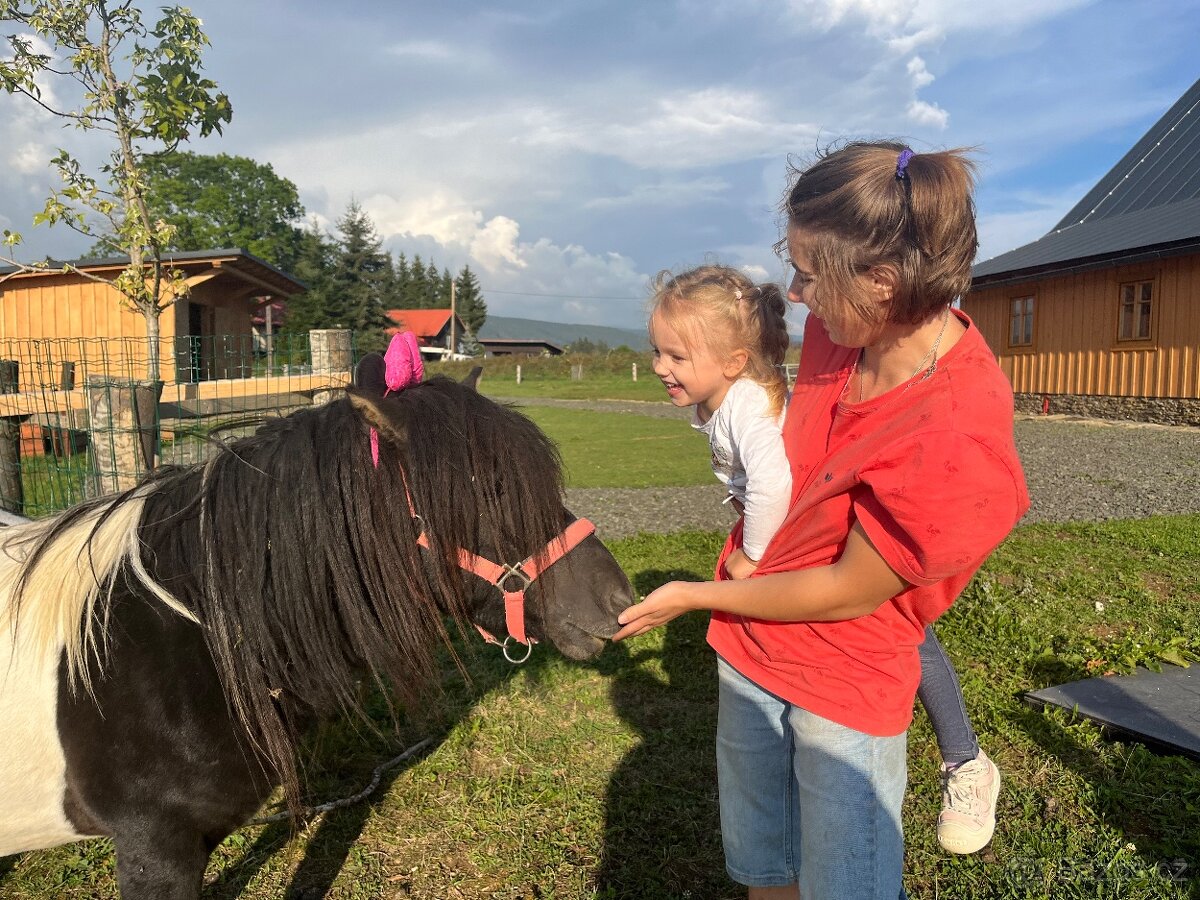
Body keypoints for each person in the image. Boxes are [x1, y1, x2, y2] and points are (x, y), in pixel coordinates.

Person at [614, 141, 1030, 900]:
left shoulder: (954, 436)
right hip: (751, 649)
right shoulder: (846, 333)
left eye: (809, 273)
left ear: (882, 282)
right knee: (766, 871)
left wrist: (696, 595)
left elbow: (845, 591)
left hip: (841, 683)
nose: (795, 293)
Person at [647, 265, 792, 581]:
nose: (659, 367)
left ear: (733, 362)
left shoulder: (748, 405)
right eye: (657, 352)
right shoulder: (722, 401)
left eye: (677, 357)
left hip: (785, 533)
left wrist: (753, 555)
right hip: (770, 523)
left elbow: (771, 482)